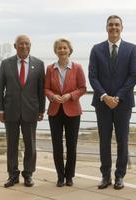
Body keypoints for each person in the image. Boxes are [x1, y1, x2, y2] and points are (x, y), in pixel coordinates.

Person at [88, 15, 136, 190]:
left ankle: (119, 176)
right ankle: (105, 176)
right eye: (111, 25)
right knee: (104, 141)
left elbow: (134, 76)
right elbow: (92, 77)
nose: (114, 28)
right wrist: (105, 96)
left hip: (123, 104)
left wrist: (117, 97)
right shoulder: (96, 49)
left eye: (117, 25)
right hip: (102, 103)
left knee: (122, 141)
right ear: (106, 27)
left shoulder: (131, 49)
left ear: (122, 28)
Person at [0, 35, 45, 188]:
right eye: (21, 44)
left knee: (30, 144)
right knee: (12, 144)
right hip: (10, 110)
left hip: (31, 110)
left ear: (30, 46)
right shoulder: (6, 63)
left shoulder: (39, 64)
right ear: (15, 46)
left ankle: (28, 174)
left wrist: (41, 109)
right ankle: (13, 175)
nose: (24, 46)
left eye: (27, 44)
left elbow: (41, 90)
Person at [44, 38, 86, 187]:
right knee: (57, 145)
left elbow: (82, 88)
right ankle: (60, 176)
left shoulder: (77, 68)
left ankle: (69, 176)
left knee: (71, 145)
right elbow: (46, 88)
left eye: (64, 48)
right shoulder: (50, 69)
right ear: (55, 51)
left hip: (73, 111)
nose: (62, 50)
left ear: (69, 50)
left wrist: (70, 96)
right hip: (55, 111)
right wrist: (52, 96)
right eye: (59, 48)